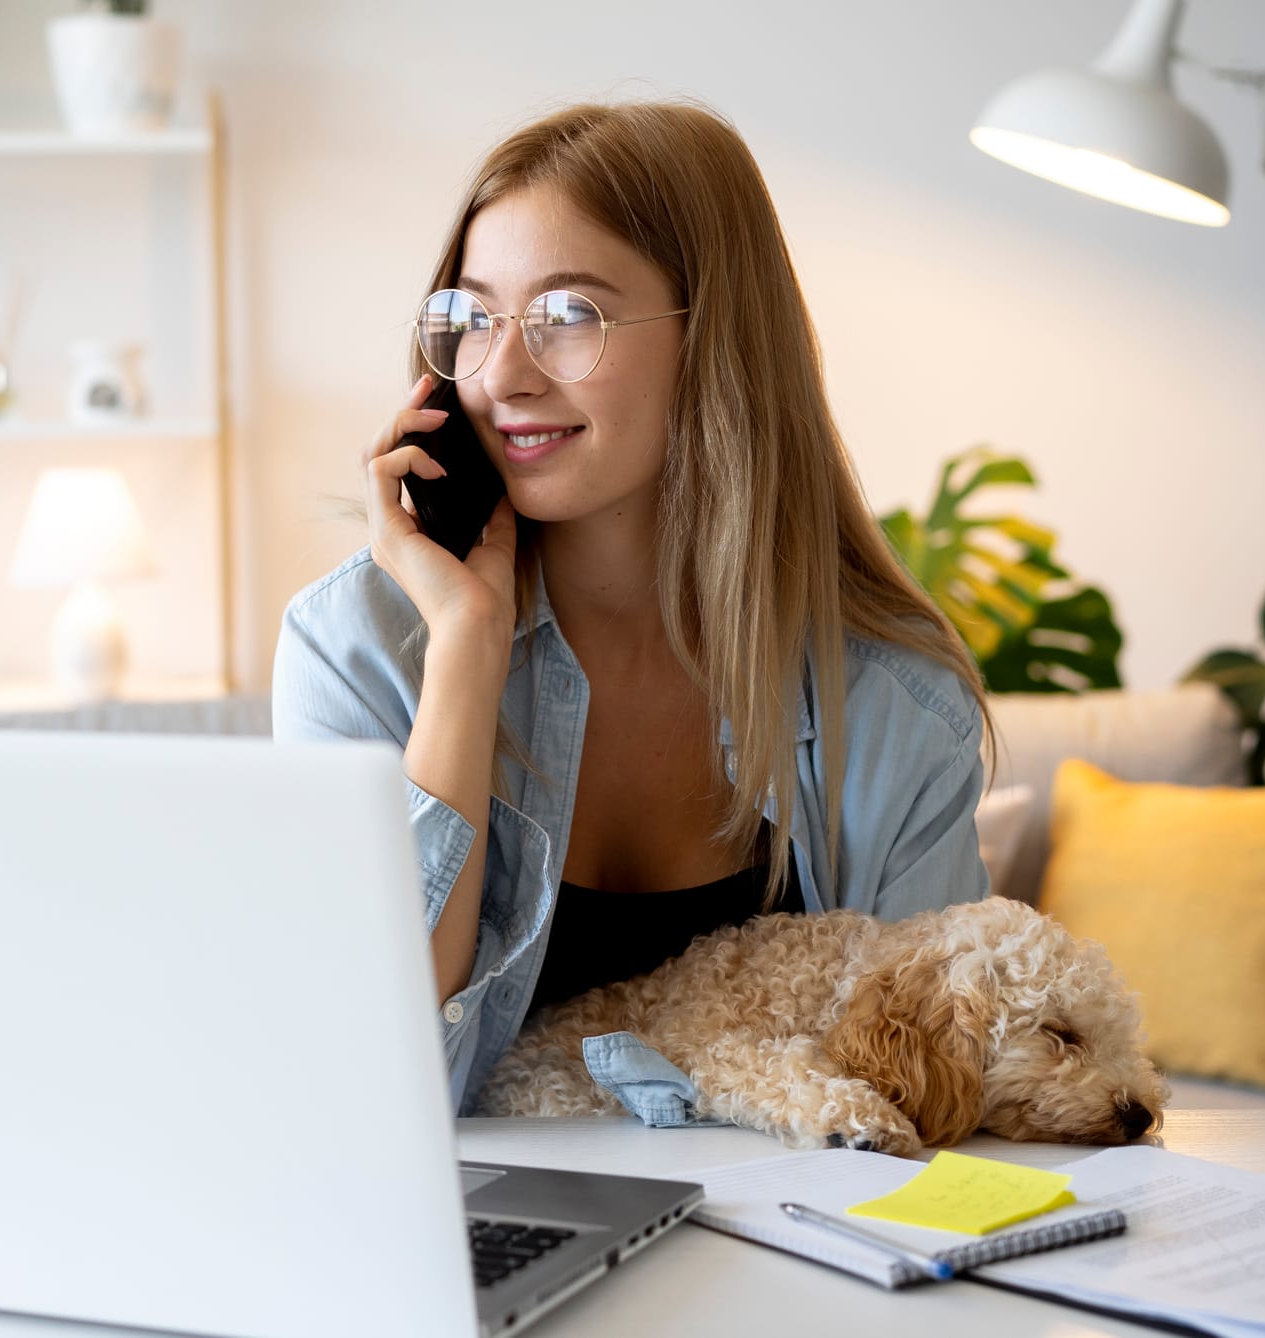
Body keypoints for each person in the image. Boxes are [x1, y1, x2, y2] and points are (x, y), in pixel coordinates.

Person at [272, 96, 1004, 1118]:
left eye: (567, 316)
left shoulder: (894, 712)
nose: (500, 375)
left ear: (713, 339)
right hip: (469, 1250)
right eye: (472, 317)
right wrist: (466, 648)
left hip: (798, 1250)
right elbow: (366, 1087)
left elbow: (934, 1102)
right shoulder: (355, 647)